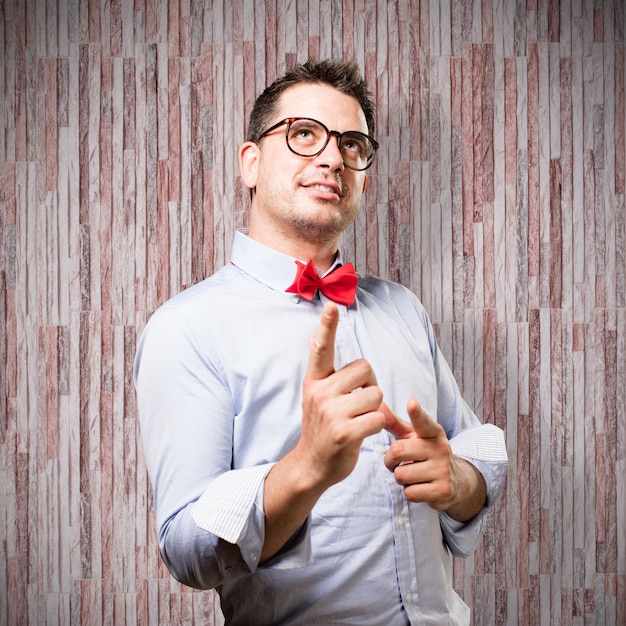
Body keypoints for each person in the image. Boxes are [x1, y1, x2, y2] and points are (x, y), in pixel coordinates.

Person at [134, 58, 508, 625]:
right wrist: (306, 466)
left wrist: (456, 479)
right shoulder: (185, 328)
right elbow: (185, 548)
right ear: (251, 163)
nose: (333, 158)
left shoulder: (403, 308)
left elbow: (471, 459)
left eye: (351, 144)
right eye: (304, 134)